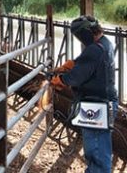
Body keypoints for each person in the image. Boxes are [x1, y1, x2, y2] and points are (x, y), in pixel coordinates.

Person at [51, 15, 118, 173]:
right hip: (105, 101)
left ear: (86, 33)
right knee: (99, 150)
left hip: (96, 106)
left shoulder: (94, 49)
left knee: (96, 152)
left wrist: (60, 79)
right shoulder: (105, 43)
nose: (80, 40)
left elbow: (75, 78)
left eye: (79, 36)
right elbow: (92, 65)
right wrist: (74, 64)